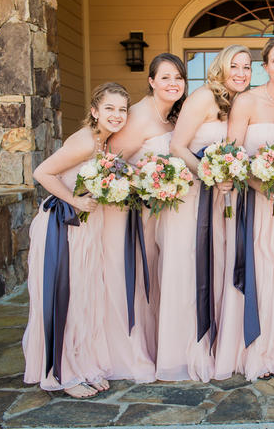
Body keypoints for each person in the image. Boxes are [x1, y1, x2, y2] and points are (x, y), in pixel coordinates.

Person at [23, 82, 129, 398]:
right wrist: (76, 200)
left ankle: (82, 365)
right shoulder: (85, 141)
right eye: (109, 108)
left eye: (122, 109)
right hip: (61, 226)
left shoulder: (103, 144)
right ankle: (63, 374)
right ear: (94, 111)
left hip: (84, 229)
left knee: (84, 299)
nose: (117, 115)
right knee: (64, 299)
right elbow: (42, 173)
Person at [156, 45, 252, 381]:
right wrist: (209, 175)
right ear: (220, 68)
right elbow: (177, 146)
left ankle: (218, 344)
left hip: (223, 199)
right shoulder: (203, 97)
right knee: (189, 267)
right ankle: (185, 351)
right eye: (234, 66)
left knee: (218, 267)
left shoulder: (240, 102)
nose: (240, 73)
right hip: (195, 197)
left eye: (247, 67)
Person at [221, 36, 274, 381]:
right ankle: (259, 348)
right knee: (261, 268)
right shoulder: (246, 101)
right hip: (255, 200)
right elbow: (231, 154)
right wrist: (260, 184)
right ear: (265, 66)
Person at [104, 53, 186, 382]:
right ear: (151, 81)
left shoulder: (172, 118)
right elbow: (111, 164)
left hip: (158, 214)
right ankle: (127, 351)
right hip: (130, 214)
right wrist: (145, 183)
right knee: (133, 281)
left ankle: (153, 348)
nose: (173, 83)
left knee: (151, 279)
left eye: (178, 77)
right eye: (165, 77)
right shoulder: (137, 115)